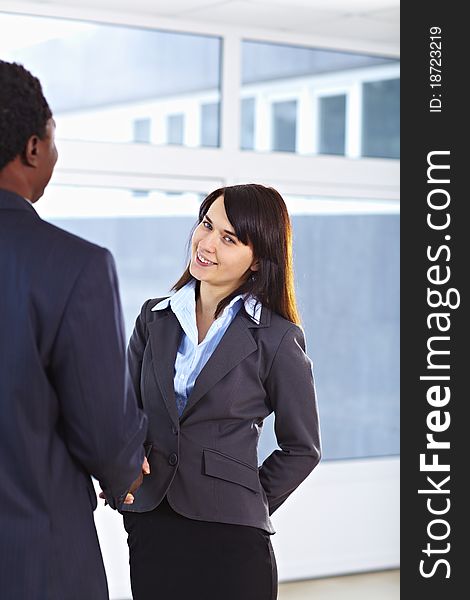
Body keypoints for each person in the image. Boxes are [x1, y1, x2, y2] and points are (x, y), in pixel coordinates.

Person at [122, 183, 321, 600]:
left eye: (229, 238)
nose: (207, 243)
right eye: (206, 225)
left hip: (231, 540)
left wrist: (245, 498)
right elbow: (128, 414)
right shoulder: (154, 319)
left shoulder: (277, 338)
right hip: (153, 525)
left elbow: (303, 447)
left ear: (258, 260)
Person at [0, 60, 148, 599]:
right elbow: (104, 431)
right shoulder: (73, 266)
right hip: (36, 563)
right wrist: (128, 469)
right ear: (33, 147)